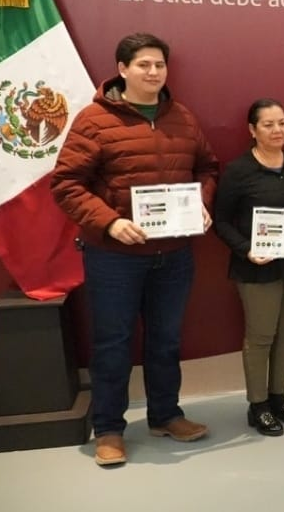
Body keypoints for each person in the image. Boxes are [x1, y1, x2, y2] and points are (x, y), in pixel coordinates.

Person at [50, 33, 219, 467]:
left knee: (166, 340)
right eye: (144, 64)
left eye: (159, 64)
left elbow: (207, 167)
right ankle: (108, 429)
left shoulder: (182, 117)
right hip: (115, 257)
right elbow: (66, 184)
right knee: (113, 343)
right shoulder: (94, 120)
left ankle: (166, 415)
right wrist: (110, 221)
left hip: (174, 255)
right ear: (122, 69)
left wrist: (202, 202)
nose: (153, 72)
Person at [213, 99, 284, 436]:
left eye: (282, 123)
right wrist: (246, 250)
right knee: (261, 337)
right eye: (268, 124)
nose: (277, 130)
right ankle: (258, 405)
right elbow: (221, 221)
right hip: (258, 268)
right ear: (252, 130)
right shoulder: (239, 171)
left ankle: (279, 398)